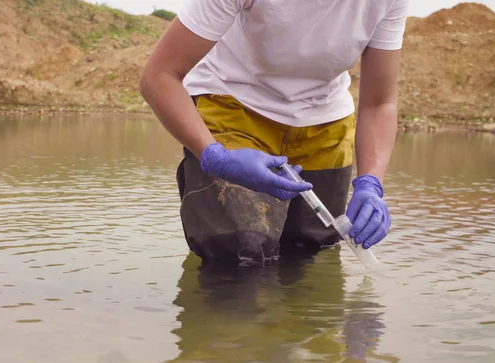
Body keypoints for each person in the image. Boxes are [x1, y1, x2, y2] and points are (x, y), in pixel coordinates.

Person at [140, 0, 409, 263]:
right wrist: (215, 156)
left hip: (324, 123)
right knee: (236, 256)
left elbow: (380, 103)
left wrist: (370, 183)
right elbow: (160, 75)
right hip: (234, 104)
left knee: (312, 258)